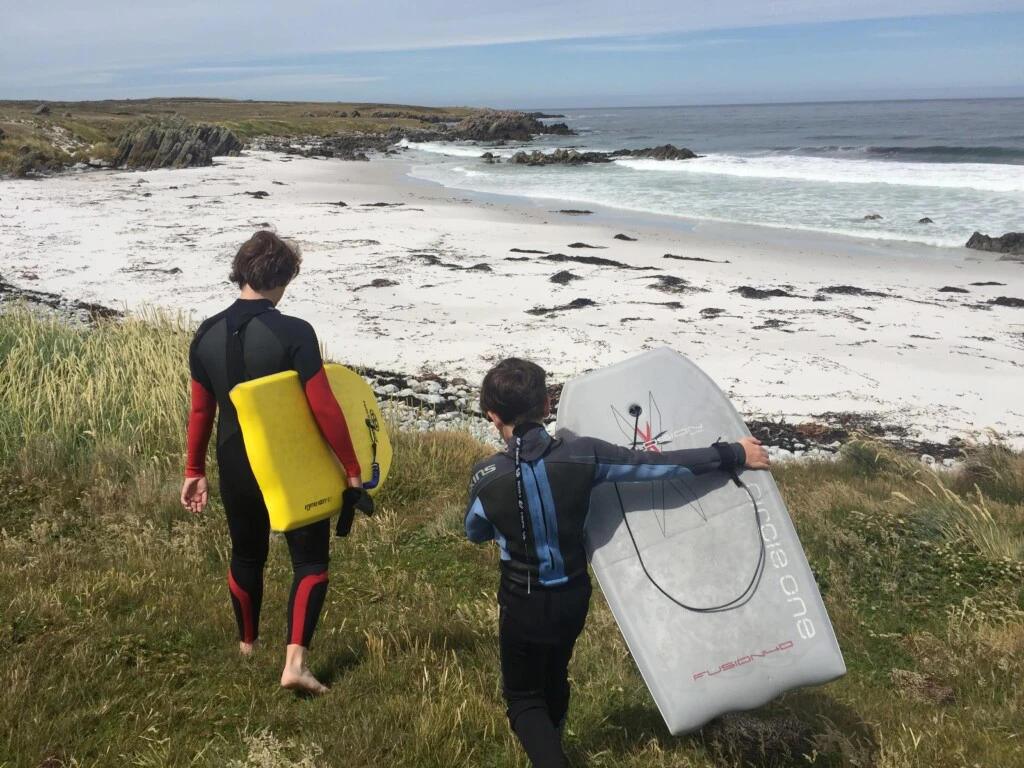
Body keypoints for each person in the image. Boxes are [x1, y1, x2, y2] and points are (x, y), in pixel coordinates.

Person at [464, 358, 770, 768]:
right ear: (547, 405)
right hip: (572, 600)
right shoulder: (583, 455)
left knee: (522, 700)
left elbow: (475, 530)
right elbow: (659, 466)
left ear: (492, 416)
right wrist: (734, 452)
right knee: (555, 676)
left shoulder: (486, 477)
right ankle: (553, 748)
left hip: (522, 604)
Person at [180, 230, 372, 695]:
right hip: (290, 464)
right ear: (284, 277)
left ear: (240, 272)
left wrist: (193, 471)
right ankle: (295, 665)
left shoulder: (204, 333)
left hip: (234, 459)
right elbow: (324, 407)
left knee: (247, 553)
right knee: (310, 560)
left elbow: (202, 410)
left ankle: (247, 646)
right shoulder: (294, 332)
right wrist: (351, 469)